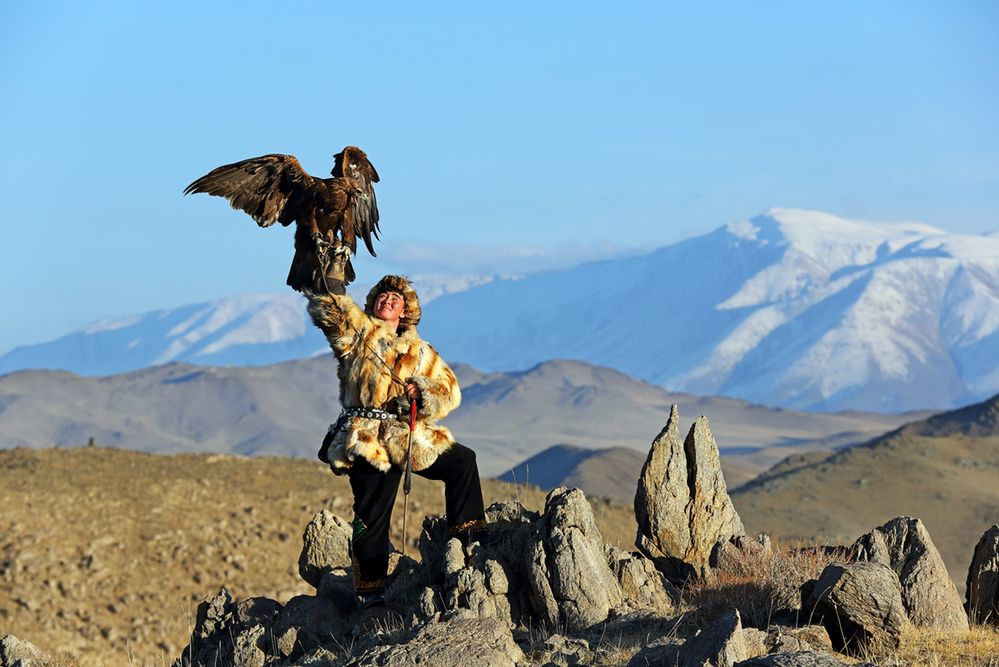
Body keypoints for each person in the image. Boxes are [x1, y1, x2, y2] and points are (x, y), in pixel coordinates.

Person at [306, 262, 487, 607]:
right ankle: (370, 590)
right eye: (382, 295)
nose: (388, 299)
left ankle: (469, 538)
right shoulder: (357, 334)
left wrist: (422, 391)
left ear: (406, 312)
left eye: (396, 297)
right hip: (366, 439)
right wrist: (327, 276)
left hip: (407, 435)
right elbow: (333, 311)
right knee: (371, 514)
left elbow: (450, 390)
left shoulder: (421, 351)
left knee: (463, 461)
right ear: (373, 303)